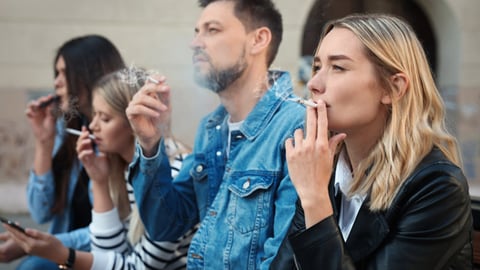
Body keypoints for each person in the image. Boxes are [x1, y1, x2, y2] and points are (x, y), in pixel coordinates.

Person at [125, 0, 305, 269]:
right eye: (197, 31)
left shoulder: (295, 126)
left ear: (258, 40)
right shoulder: (212, 128)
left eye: (212, 30)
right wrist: (150, 143)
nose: (195, 43)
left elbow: (287, 259)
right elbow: (166, 225)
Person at [284, 13, 473, 269]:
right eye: (317, 67)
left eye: (338, 67)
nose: (314, 84)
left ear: (393, 88)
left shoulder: (437, 187)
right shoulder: (323, 170)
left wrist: (315, 200)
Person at [3, 69, 197, 270]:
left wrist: (63, 254)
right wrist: (99, 181)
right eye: (93, 115)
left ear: (135, 123)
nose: (93, 126)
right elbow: (108, 254)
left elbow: (138, 268)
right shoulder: (119, 166)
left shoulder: (172, 174)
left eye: (104, 118)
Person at [0, 35, 125, 269]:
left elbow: (119, 230)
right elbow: (41, 212)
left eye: (64, 73)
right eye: (55, 73)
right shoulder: (67, 129)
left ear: (91, 74)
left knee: (33, 266)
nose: (56, 82)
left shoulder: (119, 137)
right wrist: (43, 143)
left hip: (104, 257)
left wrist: (43, 245)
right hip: (66, 253)